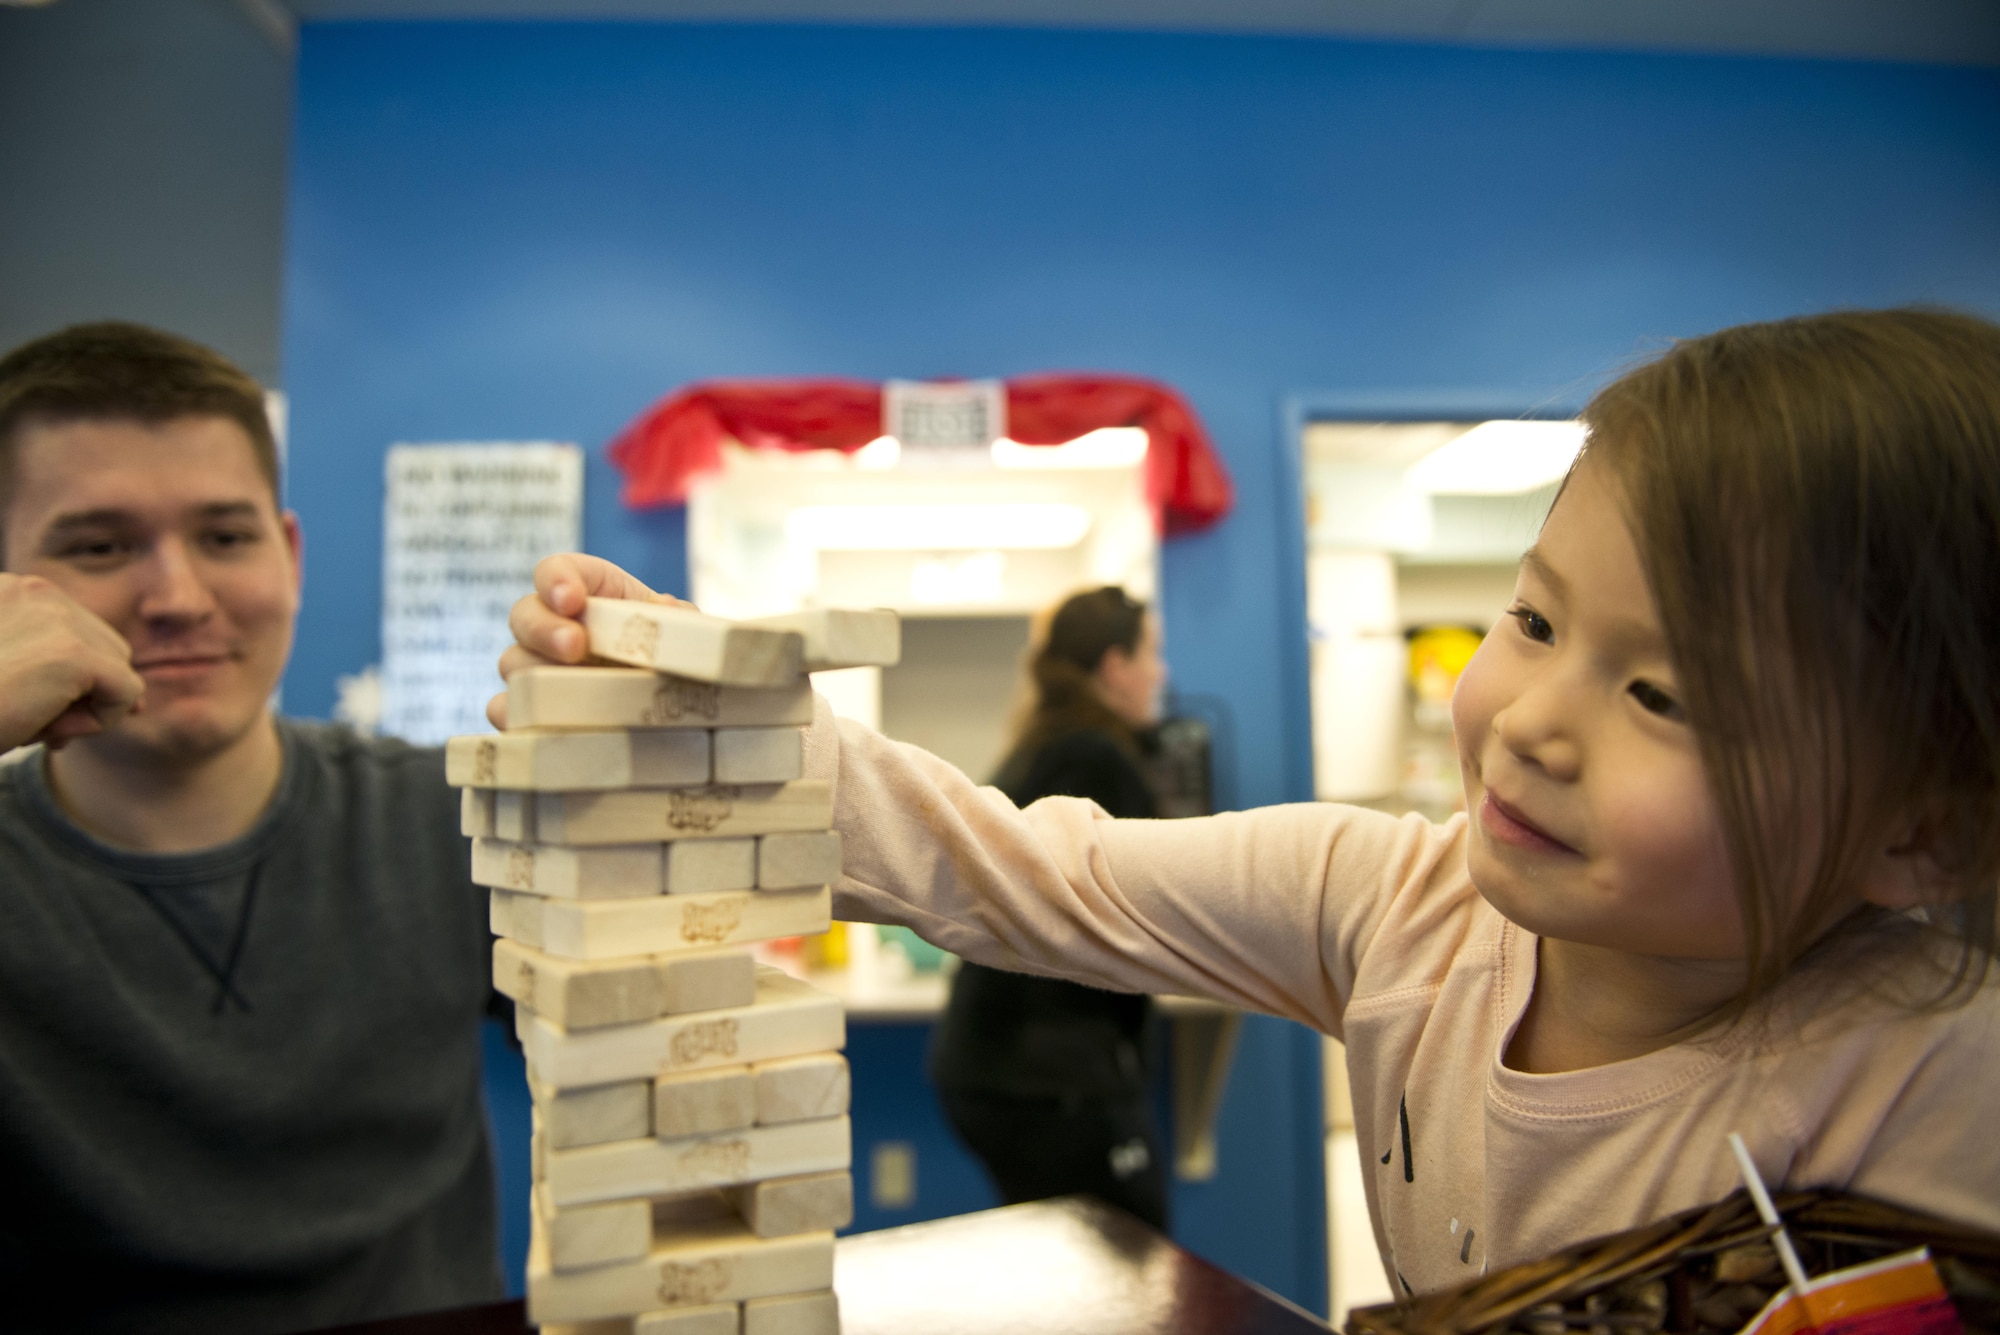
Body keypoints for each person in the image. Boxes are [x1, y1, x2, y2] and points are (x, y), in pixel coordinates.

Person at [505, 307, 2000, 1292]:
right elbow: (1037, 872)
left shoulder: (1934, 1074)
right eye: (1532, 622)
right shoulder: (1391, 901)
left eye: (1663, 694)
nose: (1532, 722)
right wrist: (725, 735)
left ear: (1918, 827)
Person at [0, 323, 502, 1333]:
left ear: (289, 555)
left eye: (225, 538)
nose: (179, 599)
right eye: (98, 546)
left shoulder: (457, 816)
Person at [929, 586, 1172, 1231]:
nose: (1161, 673)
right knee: (1136, 1266)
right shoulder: (1096, 757)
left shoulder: (1043, 745)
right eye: (1152, 655)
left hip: (1000, 1067)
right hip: (1050, 1074)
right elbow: (1132, 909)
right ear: (1116, 668)